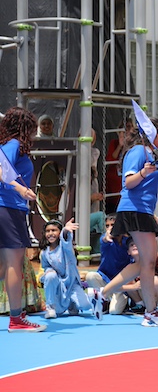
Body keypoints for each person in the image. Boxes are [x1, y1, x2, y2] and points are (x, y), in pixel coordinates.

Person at [89, 117, 158, 327]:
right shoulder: (138, 152)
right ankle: (151, 312)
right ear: (151, 134)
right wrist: (143, 173)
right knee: (148, 262)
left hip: (141, 211)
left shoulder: (149, 154)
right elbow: (128, 182)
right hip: (135, 211)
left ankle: (103, 294)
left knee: (145, 263)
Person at [0, 107, 45, 332]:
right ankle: (16, 319)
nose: (36, 132)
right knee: (13, 264)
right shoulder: (14, 145)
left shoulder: (13, 145)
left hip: (9, 208)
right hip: (8, 207)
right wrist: (20, 189)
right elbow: (0, 170)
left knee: (4, 267)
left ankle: (17, 316)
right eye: (33, 127)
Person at [39, 219, 92, 319]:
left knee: (85, 306)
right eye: (48, 231)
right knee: (50, 276)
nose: (50, 233)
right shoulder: (44, 252)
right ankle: (50, 307)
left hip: (72, 284)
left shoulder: (65, 248)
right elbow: (45, 267)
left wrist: (66, 231)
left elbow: (66, 240)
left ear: (59, 232)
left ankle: (72, 303)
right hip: (58, 284)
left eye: (54, 230)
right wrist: (49, 271)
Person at [84, 214, 132, 314]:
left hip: (121, 283)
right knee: (91, 276)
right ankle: (104, 301)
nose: (110, 228)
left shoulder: (128, 242)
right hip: (105, 280)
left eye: (113, 225)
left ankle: (123, 300)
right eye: (107, 225)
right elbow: (105, 239)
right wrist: (108, 235)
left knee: (114, 311)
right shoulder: (104, 240)